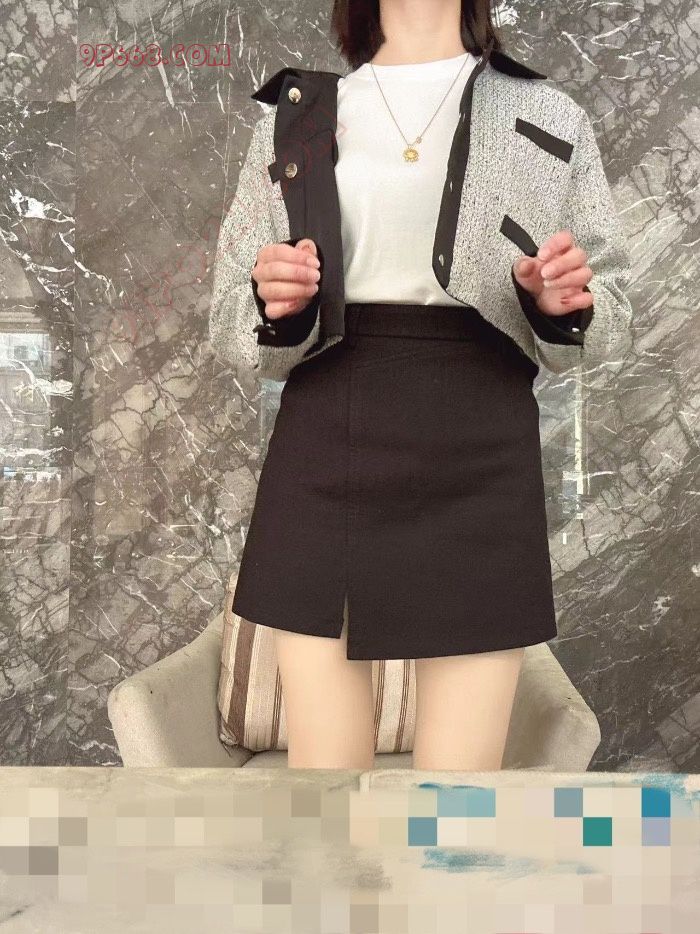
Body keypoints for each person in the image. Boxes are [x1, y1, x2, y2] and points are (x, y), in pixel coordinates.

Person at [209, 0, 633, 770]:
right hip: (324, 438)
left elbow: (614, 313)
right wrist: (273, 302)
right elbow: (230, 323)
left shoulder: (550, 114)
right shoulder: (293, 119)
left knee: (456, 811)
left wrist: (563, 302)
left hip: (481, 445)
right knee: (327, 806)